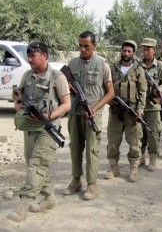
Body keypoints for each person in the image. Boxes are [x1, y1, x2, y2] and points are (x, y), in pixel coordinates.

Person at [7, 41, 71, 222]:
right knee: (32, 164)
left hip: (48, 130)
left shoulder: (57, 77)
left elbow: (67, 104)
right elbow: (18, 98)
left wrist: (49, 116)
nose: (29, 59)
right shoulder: (27, 76)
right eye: (28, 55)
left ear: (44, 55)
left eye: (33, 55)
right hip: (30, 128)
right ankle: (49, 197)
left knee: (37, 164)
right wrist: (19, 107)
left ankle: (23, 206)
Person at [63, 31, 114, 200]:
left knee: (92, 150)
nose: (83, 49)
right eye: (80, 46)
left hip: (93, 115)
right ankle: (76, 181)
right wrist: (68, 87)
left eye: (87, 46)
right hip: (74, 113)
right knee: (75, 149)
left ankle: (92, 184)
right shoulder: (72, 63)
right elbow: (63, 86)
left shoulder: (103, 65)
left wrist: (95, 107)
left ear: (94, 46)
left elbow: (110, 93)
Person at [105, 40, 147, 182]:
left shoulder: (139, 70)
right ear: (121, 51)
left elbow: (143, 92)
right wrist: (109, 101)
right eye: (124, 51)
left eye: (129, 51)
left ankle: (134, 168)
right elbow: (105, 88)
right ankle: (113, 167)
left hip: (132, 112)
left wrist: (140, 110)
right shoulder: (112, 68)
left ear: (133, 53)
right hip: (115, 111)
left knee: (135, 142)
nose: (126, 53)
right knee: (112, 141)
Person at [139, 37, 162, 171]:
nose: (145, 52)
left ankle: (153, 158)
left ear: (154, 50)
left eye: (148, 50)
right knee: (139, 134)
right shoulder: (138, 65)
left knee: (153, 133)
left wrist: (160, 89)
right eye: (144, 49)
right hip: (139, 106)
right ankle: (141, 155)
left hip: (153, 106)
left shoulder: (160, 66)